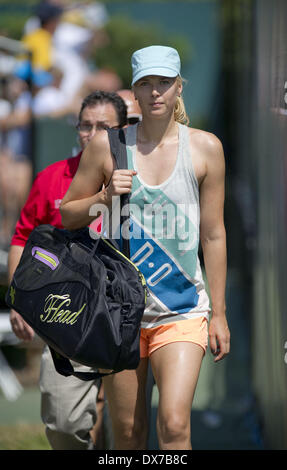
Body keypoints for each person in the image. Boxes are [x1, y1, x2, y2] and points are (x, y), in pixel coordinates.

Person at [60, 45, 230, 450]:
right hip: (119, 314)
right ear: (133, 92)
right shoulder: (107, 146)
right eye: (146, 84)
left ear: (179, 88)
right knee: (130, 436)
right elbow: (67, 214)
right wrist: (103, 198)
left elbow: (214, 235)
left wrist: (219, 314)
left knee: (173, 425)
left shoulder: (206, 148)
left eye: (164, 83)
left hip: (183, 309)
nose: (156, 92)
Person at [8, 90, 128, 450]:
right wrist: (19, 300)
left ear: (123, 130)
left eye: (104, 127)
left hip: (128, 315)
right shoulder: (51, 178)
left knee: (127, 429)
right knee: (64, 423)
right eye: (86, 126)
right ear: (76, 129)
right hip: (68, 314)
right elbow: (23, 237)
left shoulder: (142, 177)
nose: (92, 134)